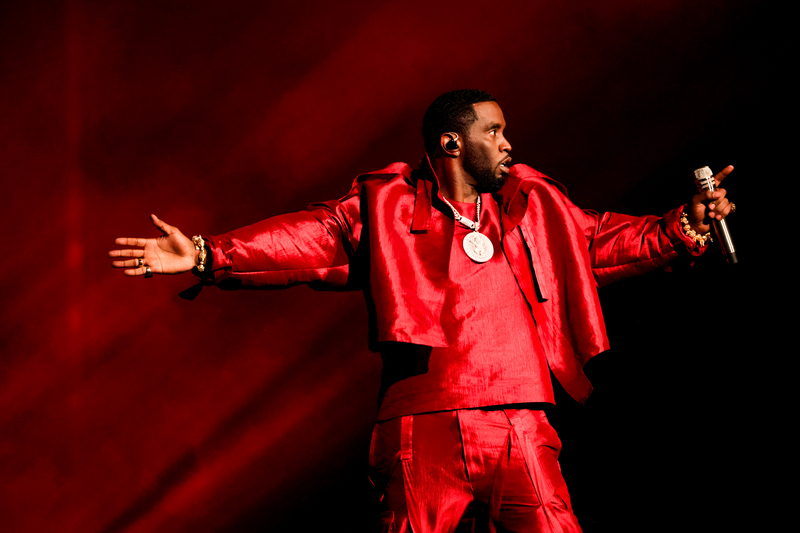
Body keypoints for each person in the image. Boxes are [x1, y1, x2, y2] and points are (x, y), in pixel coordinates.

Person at [109, 89, 734, 533]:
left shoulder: (532, 205)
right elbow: (308, 239)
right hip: (421, 431)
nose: (509, 143)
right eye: (495, 131)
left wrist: (683, 227)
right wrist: (205, 254)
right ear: (451, 141)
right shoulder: (385, 207)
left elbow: (599, 241)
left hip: (520, 422)